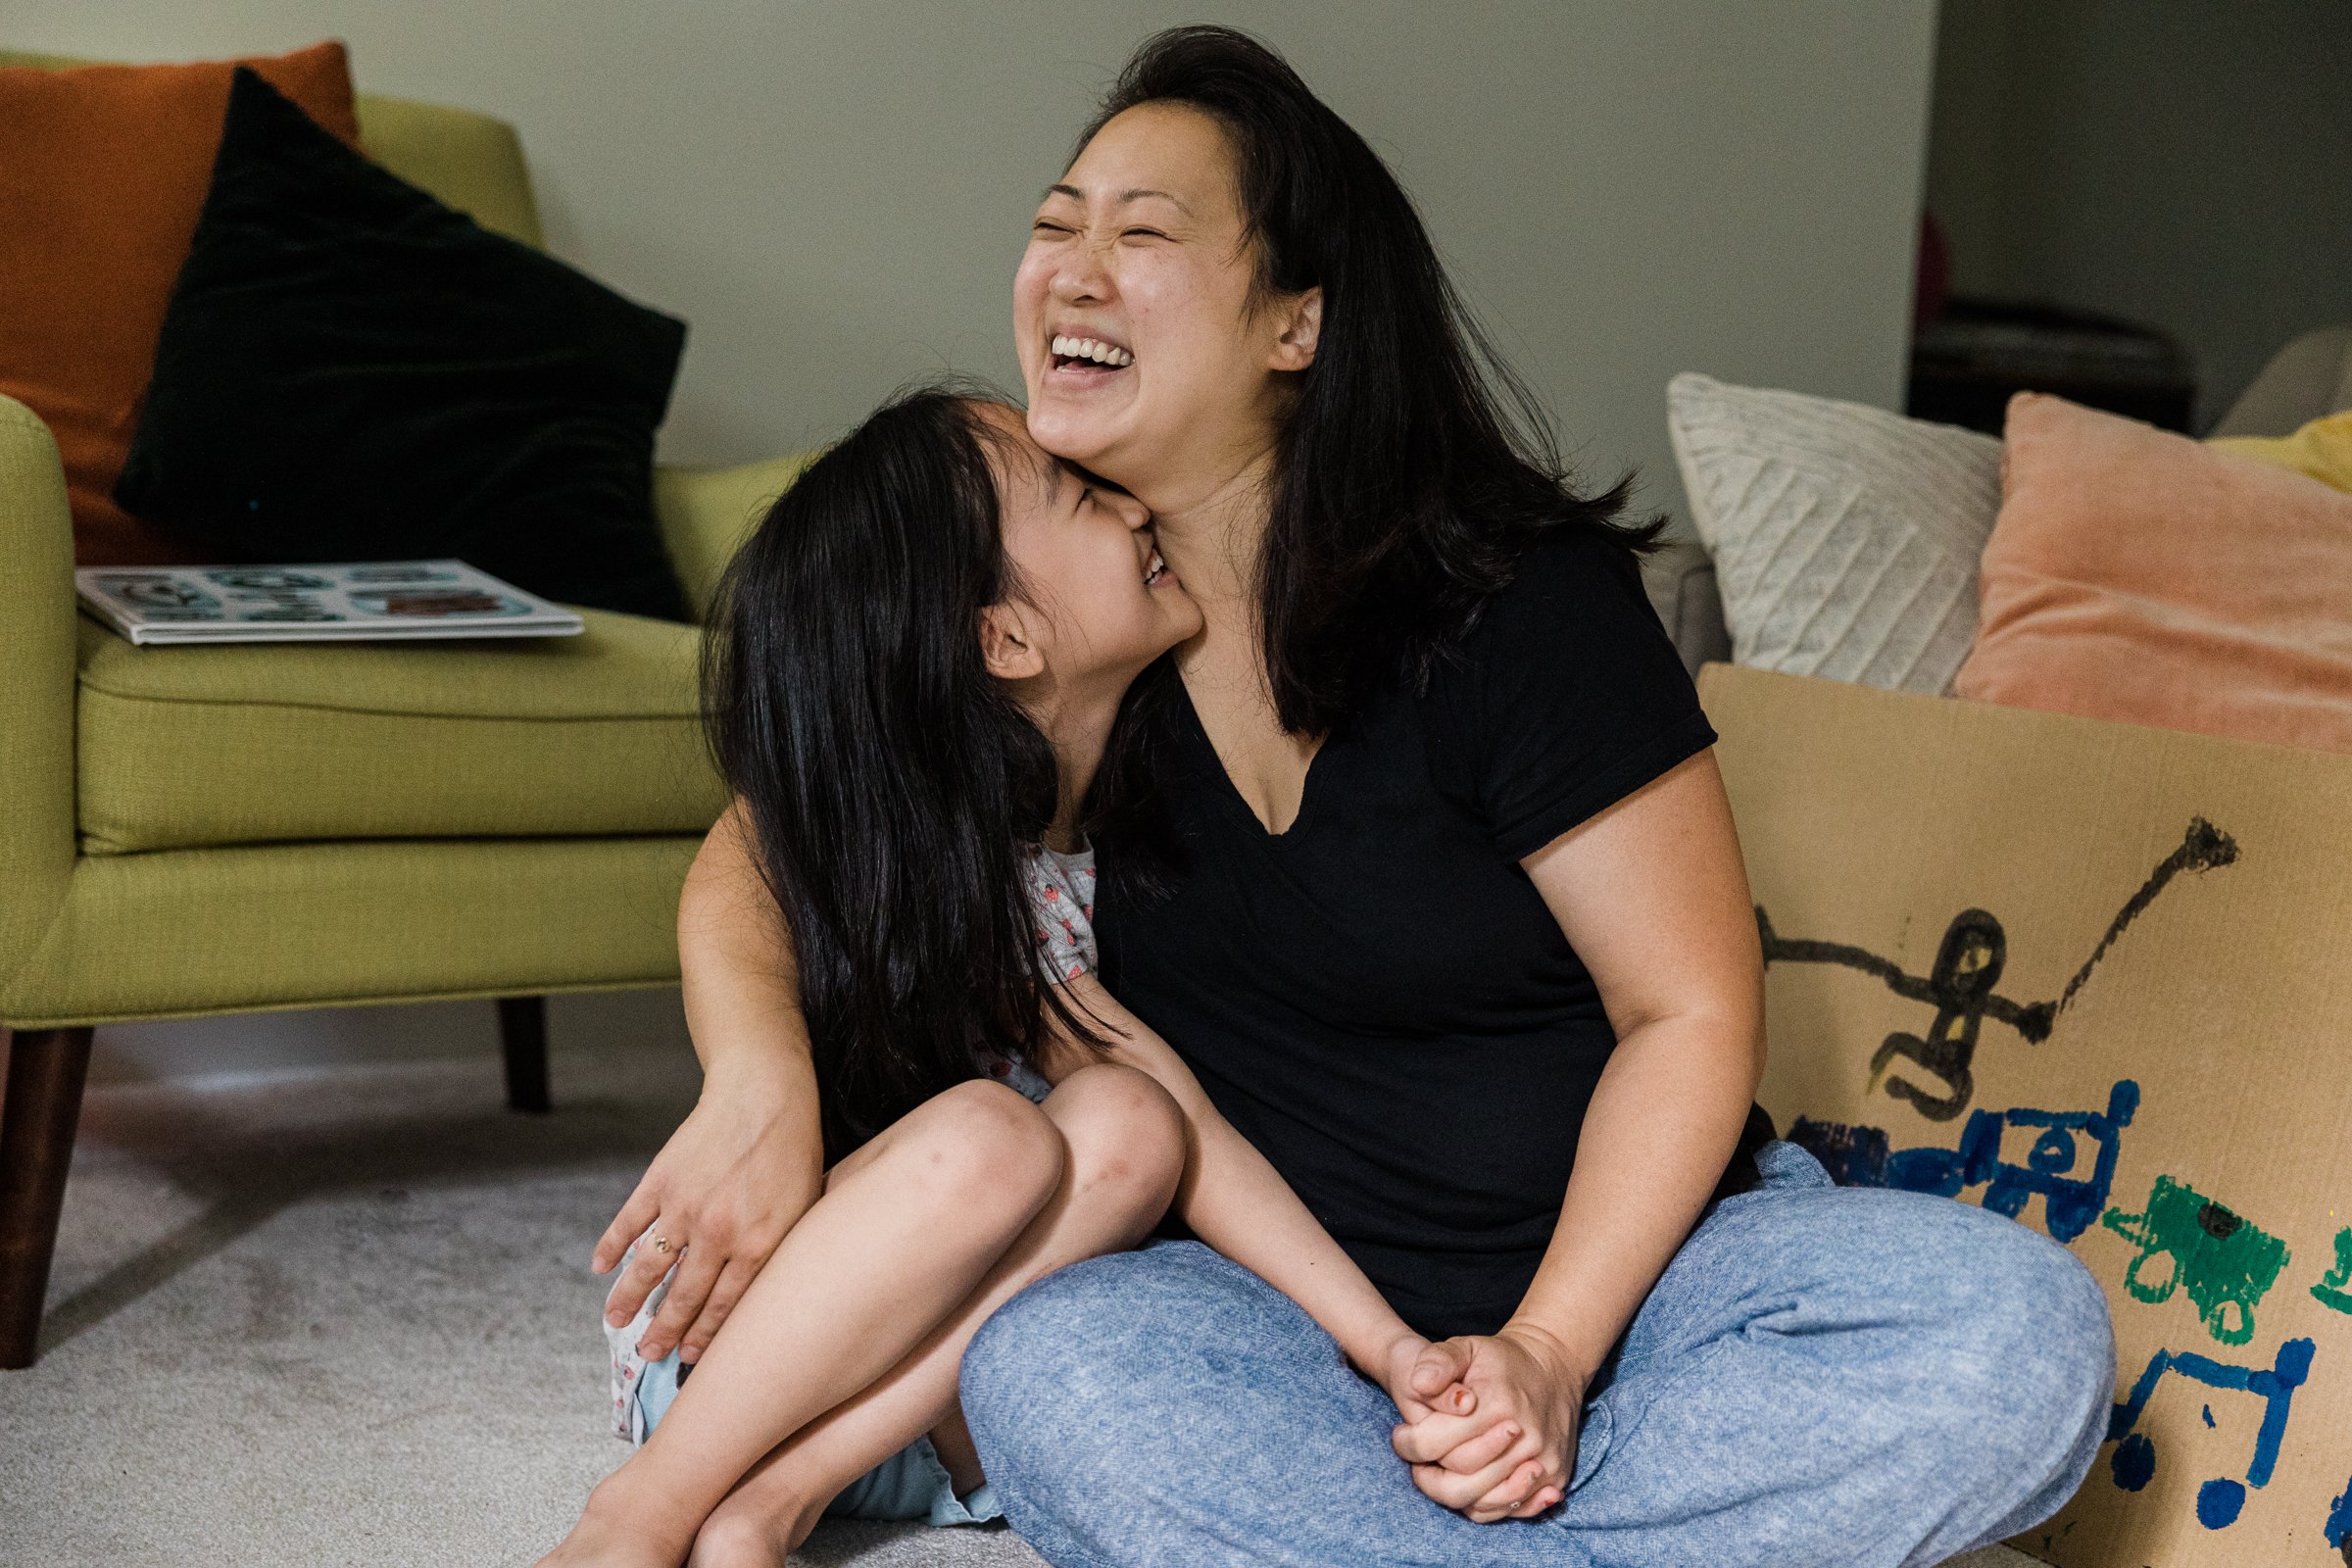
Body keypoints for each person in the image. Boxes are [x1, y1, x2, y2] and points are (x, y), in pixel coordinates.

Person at [544, 387, 1473, 1567]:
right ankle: (642, 1509)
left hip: (938, 1415)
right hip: (751, 1364)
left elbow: (1184, 1124)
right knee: (991, 1135)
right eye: (1087, 499)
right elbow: (753, 841)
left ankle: (774, 1506)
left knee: (1135, 1119)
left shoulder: (1110, 836)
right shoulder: (935, 848)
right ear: (1008, 639)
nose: (1137, 507)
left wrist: (1388, 1345)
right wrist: (752, 1072)